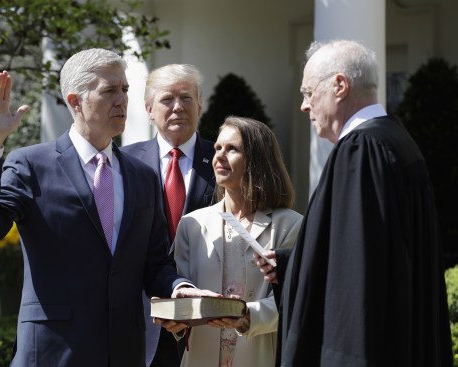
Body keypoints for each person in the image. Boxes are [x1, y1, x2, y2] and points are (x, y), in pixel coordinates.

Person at [0, 48, 216, 367]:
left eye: (124, 90)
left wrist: (178, 288)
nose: (121, 100)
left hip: (124, 352)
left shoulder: (142, 177)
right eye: (109, 91)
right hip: (53, 352)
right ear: (75, 101)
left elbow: (154, 262)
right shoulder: (30, 164)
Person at [258, 39, 452, 366]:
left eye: (308, 93)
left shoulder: (361, 152)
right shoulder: (397, 142)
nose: (305, 106)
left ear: (339, 85)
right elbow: (377, 255)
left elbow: (355, 283)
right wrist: (292, 264)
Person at [161, 116, 303, 367]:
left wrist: (247, 316)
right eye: (217, 148)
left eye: (232, 149)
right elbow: (185, 295)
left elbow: (296, 301)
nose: (219, 156)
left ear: (257, 160)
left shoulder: (291, 225)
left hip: (260, 358)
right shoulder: (192, 225)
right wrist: (177, 319)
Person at [121, 64, 215, 367]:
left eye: (187, 98)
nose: (178, 107)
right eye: (167, 100)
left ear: (200, 105)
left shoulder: (223, 161)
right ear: (149, 109)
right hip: (139, 319)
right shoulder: (122, 163)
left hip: (206, 318)